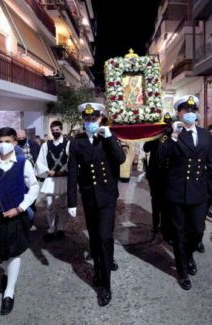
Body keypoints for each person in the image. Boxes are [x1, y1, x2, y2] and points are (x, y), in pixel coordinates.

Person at [158, 95, 212, 291]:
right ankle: (182, 271)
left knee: (197, 231)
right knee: (179, 233)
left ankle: (187, 255)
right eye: (186, 110)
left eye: (193, 110)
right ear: (179, 113)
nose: (190, 113)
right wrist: (173, 136)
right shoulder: (170, 133)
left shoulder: (205, 135)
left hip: (198, 192)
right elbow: (160, 156)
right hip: (177, 192)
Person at [0, 127, 40, 315]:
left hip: (15, 215)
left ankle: (9, 293)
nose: (3, 145)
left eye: (7, 141)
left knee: (13, 252)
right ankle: (6, 272)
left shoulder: (23, 163)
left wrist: (20, 207)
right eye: (0, 141)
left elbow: (34, 187)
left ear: (14, 143)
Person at [67, 103, 126, 306]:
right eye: (87, 119)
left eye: (94, 119)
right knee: (95, 238)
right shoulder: (77, 142)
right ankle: (100, 270)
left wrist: (109, 137)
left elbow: (120, 159)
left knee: (105, 237)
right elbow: (72, 172)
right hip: (89, 196)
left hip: (107, 196)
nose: (91, 122)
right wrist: (71, 201)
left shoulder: (108, 137)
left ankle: (105, 285)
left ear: (101, 119)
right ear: (83, 120)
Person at [36, 120, 70, 241]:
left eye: (57, 130)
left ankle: (60, 227)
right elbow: (40, 161)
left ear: (61, 130)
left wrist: (64, 170)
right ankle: (51, 228)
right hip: (50, 179)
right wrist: (47, 171)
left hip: (63, 177)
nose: (55, 132)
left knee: (63, 205)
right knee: (49, 206)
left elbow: (71, 159)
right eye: (53, 130)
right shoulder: (46, 145)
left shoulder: (68, 144)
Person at [143, 113, 173, 238]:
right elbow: (146, 148)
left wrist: (171, 135)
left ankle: (165, 226)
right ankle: (155, 224)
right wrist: (153, 135)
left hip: (167, 174)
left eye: (168, 123)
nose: (166, 125)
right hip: (154, 174)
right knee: (155, 200)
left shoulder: (173, 136)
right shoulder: (155, 136)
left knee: (167, 201)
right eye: (164, 123)